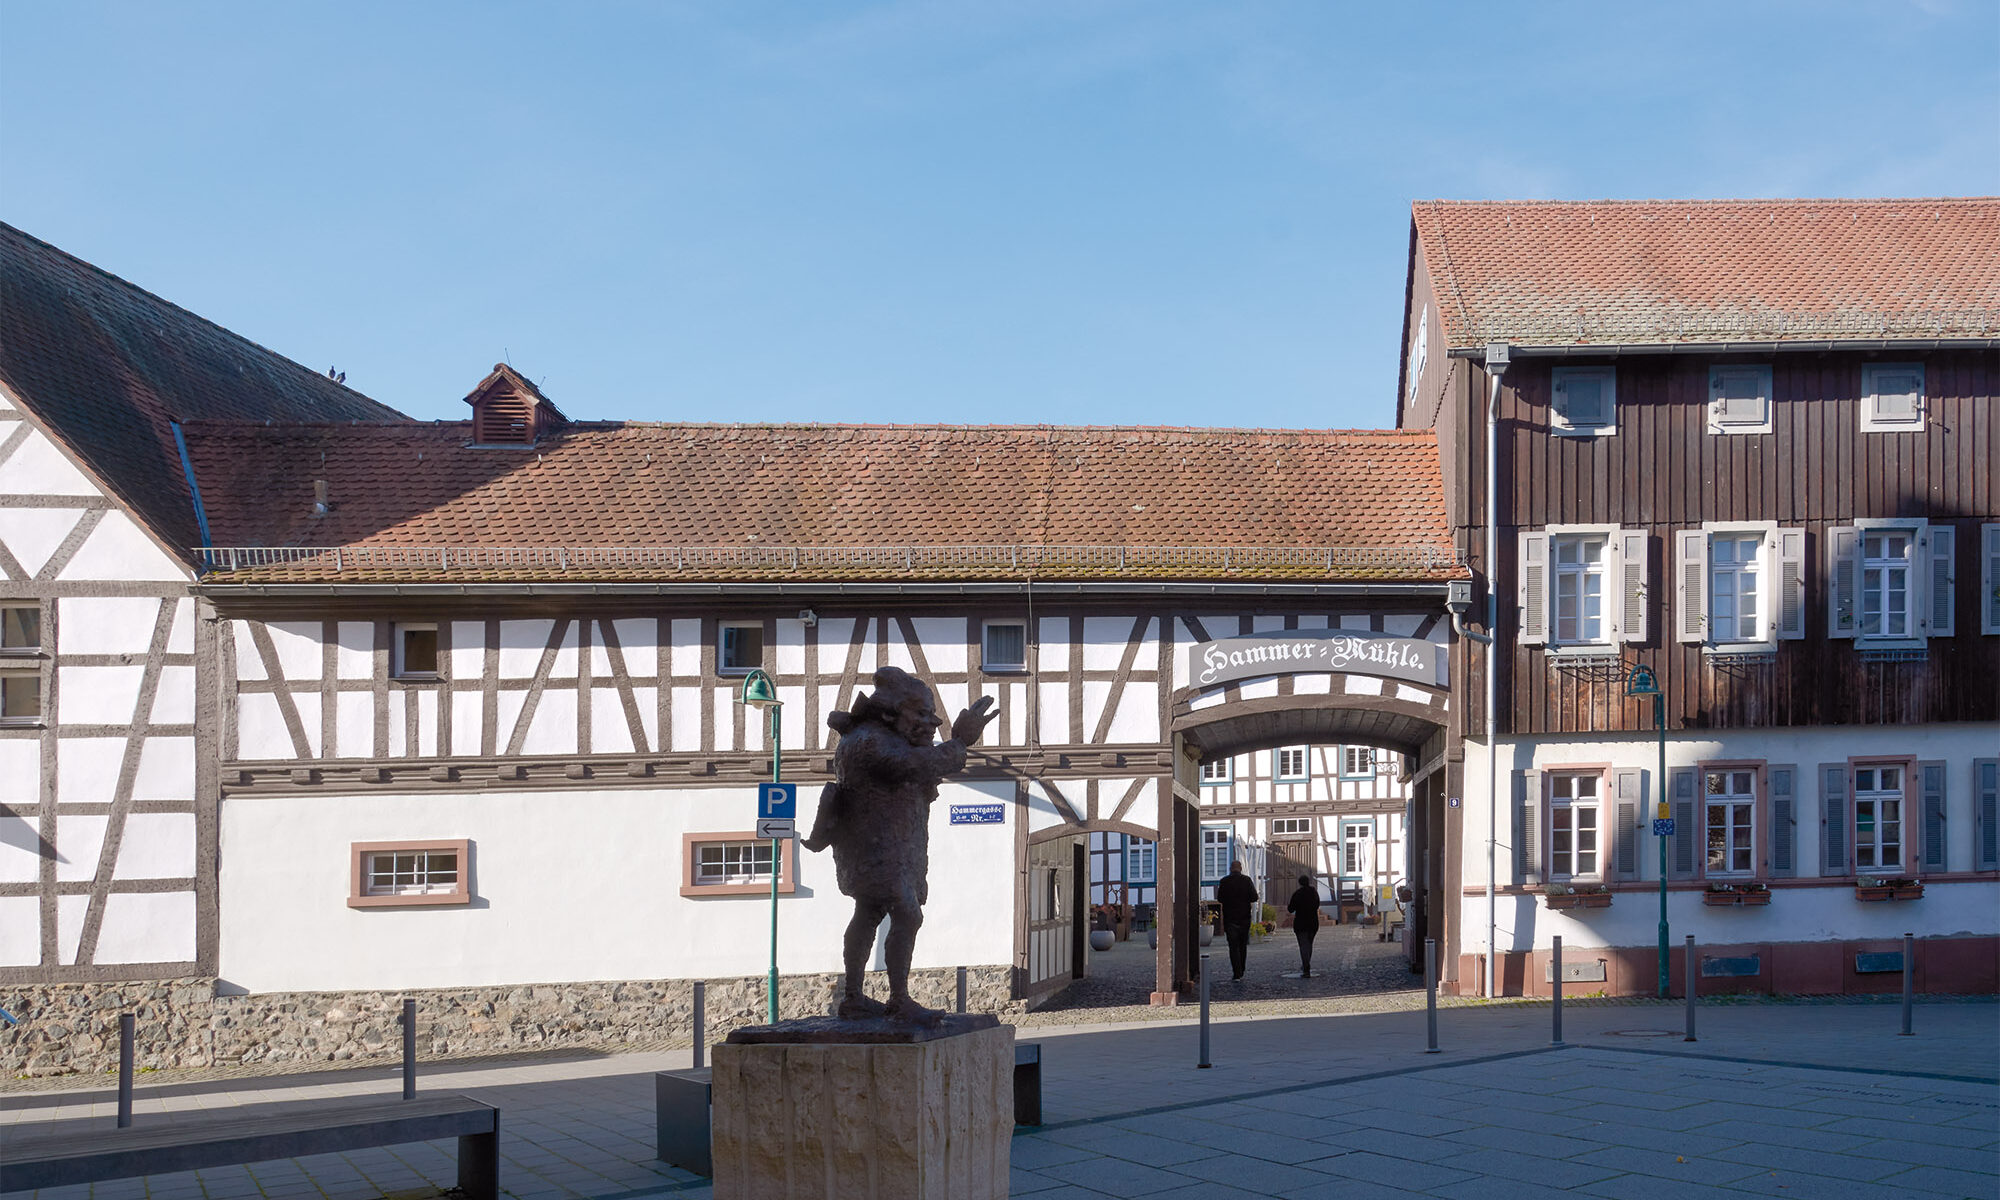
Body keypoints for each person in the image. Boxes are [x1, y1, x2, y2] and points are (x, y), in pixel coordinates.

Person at [801, 666, 997, 1023]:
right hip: (875, 848)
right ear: (891, 711)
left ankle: (855, 997)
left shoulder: (879, 737)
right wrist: (960, 742)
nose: (931, 723)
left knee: (869, 913)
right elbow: (912, 766)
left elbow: (917, 771)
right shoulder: (869, 741)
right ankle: (897, 999)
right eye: (920, 714)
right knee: (906, 913)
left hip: (888, 847)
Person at [1215, 859, 1259, 981]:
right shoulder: (1246, 880)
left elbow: (1220, 898)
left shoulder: (1224, 881)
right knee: (1242, 945)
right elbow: (1254, 897)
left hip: (1230, 919)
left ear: (1230, 868)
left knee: (1233, 947)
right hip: (1244, 918)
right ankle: (1242, 969)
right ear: (1240, 868)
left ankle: (1236, 972)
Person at [1287, 873, 1322, 978]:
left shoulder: (1297, 894)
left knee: (1303, 945)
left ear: (1299, 883)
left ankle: (1306, 967)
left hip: (1301, 923)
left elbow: (1291, 909)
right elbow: (1317, 905)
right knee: (1309, 944)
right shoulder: (1314, 893)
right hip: (1313, 922)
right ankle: (1306, 964)